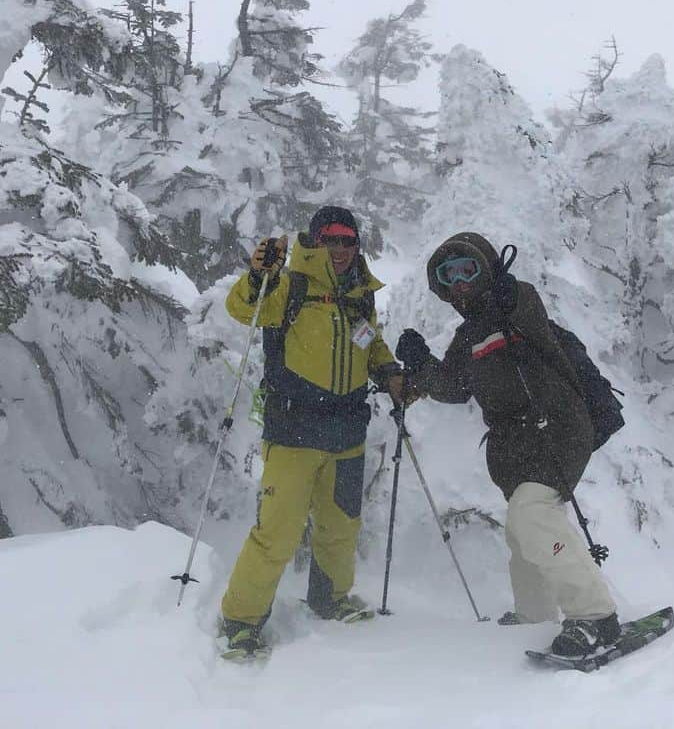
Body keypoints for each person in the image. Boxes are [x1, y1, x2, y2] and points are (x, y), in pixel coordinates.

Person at [395, 232, 621, 660]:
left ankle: (595, 617)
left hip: (558, 430)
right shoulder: (469, 336)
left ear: (487, 269)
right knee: (522, 529)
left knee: (532, 514)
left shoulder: (516, 306)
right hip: (519, 445)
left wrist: (506, 290)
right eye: (450, 275)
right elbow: (454, 386)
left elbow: (527, 305)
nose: (460, 282)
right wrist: (422, 363)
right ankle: (534, 616)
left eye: (469, 269)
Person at [218, 205, 408, 659]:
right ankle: (241, 622)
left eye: (348, 240)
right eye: (331, 239)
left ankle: (331, 599)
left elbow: (370, 340)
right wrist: (258, 274)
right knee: (277, 534)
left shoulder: (360, 294)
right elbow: (243, 307)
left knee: (341, 527)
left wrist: (388, 370)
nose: (340, 249)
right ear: (316, 240)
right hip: (293, 431)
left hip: (347, 432)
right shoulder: (289, 285)